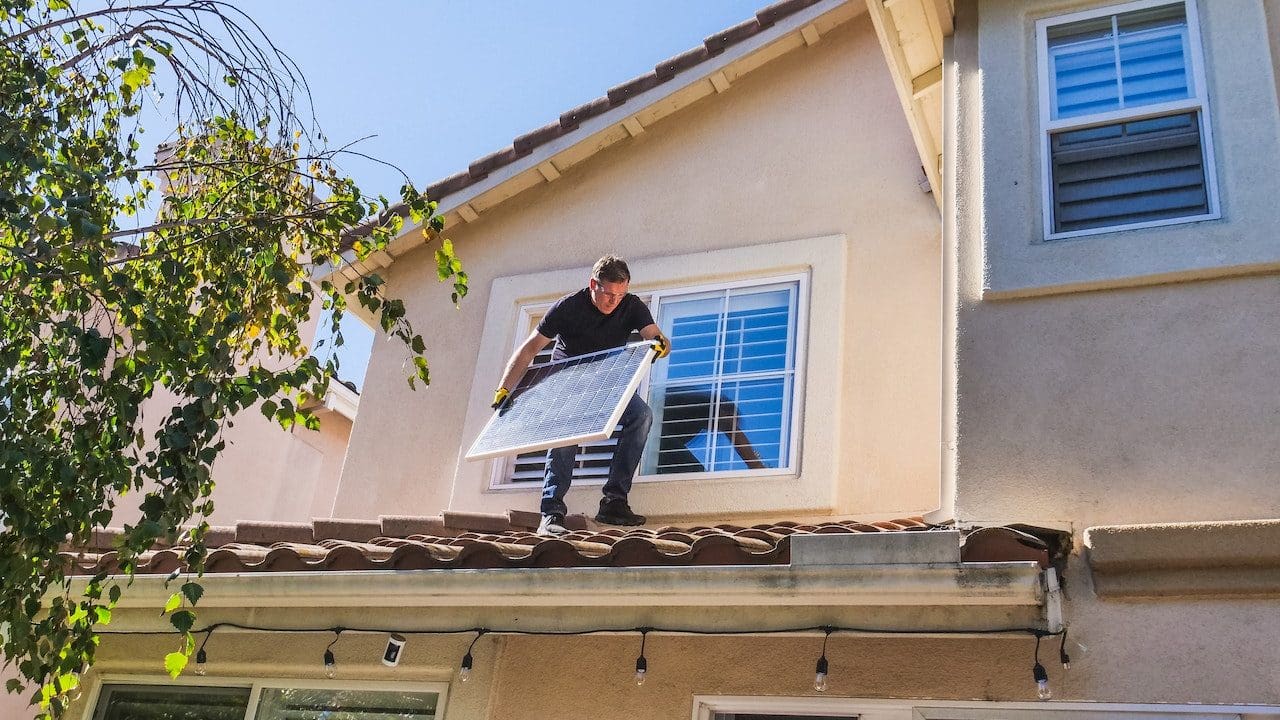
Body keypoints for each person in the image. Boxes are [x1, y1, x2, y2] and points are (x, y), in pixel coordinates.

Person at [491, 255, 669, 537]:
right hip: (568, 383)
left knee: (642, 415)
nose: (614, 301)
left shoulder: (631, 306)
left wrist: (660, 345)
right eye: (608, 294)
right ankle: (551, 513)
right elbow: (530, 349)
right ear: (593, 285)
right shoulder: (568, 307)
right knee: (566, 433)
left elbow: (655, 335)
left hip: (608, 381)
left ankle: (614, 501)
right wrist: (505, 388)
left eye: (620, 295)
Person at [655, 388, 768, 474]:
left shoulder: (692, 414)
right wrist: (757, 466)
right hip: (655, 433)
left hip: (657, 435)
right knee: (696, 477)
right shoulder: (704, 407)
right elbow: (734, 433)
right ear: (724, 410)